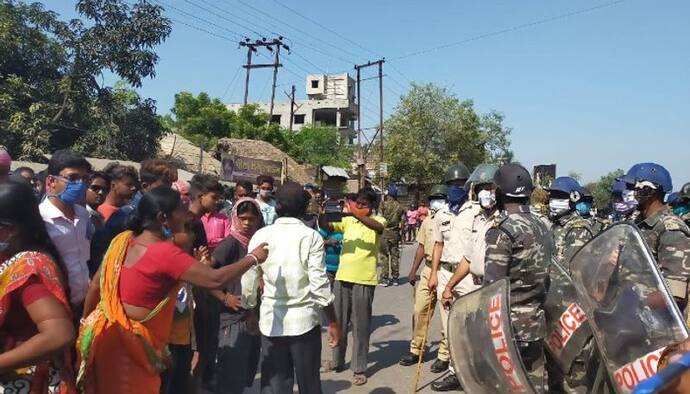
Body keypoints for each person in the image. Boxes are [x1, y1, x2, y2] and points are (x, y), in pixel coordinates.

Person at [76, 186, 269, 394]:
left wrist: (85, 325)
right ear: (163, 218)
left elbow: (96, 284)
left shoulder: (123, 241)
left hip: (105, 335)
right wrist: (253, 258)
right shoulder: (165, 253)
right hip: (134, 346)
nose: (187, 213)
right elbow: (215, 279)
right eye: (181, 209)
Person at [242, 182, 341, 393]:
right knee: (310, 383)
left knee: (275, 385)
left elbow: (249, 280)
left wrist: (250, 311)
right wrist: (332, 321)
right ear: (304, 208)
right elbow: (319, 285)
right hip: (304, 322)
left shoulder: (260, 236)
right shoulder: (310, 236)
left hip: (271, 322)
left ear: (278, 205)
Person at [0, 181, 76, 392]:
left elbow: (59, 334)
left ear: (11, 230)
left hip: (28, 379)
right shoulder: (12, 256)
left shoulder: (28, 269)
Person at [483, 163, 553, 393]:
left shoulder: (502, 231)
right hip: (536, 322)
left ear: (500, 193)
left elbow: (492, 290)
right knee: (535, 384)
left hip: (509, 330)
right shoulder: (543, 227)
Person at [319, 187, 385, 386]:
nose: (360, 205)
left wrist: (354, 211)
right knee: (338, 322)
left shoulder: (379, 220)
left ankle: (359, 368)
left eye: (364, 203)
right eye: (358, 202)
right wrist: (324, 211)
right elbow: (327, 225)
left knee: (360, 326)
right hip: (342, 278)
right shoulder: (347, 220)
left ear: (373, 205)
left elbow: (376, 227)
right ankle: (337, 360)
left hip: (364, 280)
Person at [427, 163, 479, 392]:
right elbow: (438, 244)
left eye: (460, 184)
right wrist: (433, 274)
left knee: (470, 326)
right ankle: (454, 372)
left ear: (467, 186)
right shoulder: (441, 215)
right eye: (452, 185)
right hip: (446, 272)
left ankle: (472, 372)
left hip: (468, 276)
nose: (456, 188)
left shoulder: (476, 212)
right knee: (449, 328)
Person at [209, 198, 264, 394]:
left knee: (245, 365)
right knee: (231, 369)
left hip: (250, 312)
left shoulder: (255, 244)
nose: (247, 223)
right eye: (243, 218)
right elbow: (207, 276)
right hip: (232, 315)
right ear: (235, 218)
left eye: (251, 218)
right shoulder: (231, 243)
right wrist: (224, 297)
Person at [620, 163, 690, 309]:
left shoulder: (671, 230)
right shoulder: (635, 224)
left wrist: (633, 305)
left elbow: (674, 293)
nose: (625, 192)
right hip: (629, 323)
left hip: (658, 327)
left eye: (631, 187)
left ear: (648, 191)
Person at [39, 149, 93, 315]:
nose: (80, 184)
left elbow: (84, 260)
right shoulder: (40, 219)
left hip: (83, 303)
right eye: (72, 178)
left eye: (84, 179)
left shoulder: (84, 215)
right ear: (51, 181)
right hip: (55, 308)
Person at [399, 184, 448, 367]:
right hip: (428, 269)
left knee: (445, 315)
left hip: (445, 270)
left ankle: (444, 354)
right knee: (419, 310)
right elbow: (421, 247)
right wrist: (413, 270)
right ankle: (416, 349)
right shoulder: (427, 221)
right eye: (434, 199)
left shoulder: (453, 220)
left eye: (440, 198)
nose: (437, 202)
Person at [547, 176, 594, 270]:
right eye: (552, 196)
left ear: (574, 199)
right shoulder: (557, 224)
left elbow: (572, 269)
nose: (554, 200)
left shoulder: (578, 229)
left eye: (560, 196)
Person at [379, 185, 404, 286]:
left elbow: (379, 218)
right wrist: (402, 234)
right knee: (395, 256)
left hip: (384, 233)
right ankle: (395, 278)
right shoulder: (400, 206)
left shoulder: (383, 204)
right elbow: (402, 222)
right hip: (395, 234)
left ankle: (384, 278)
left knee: (384, 256)